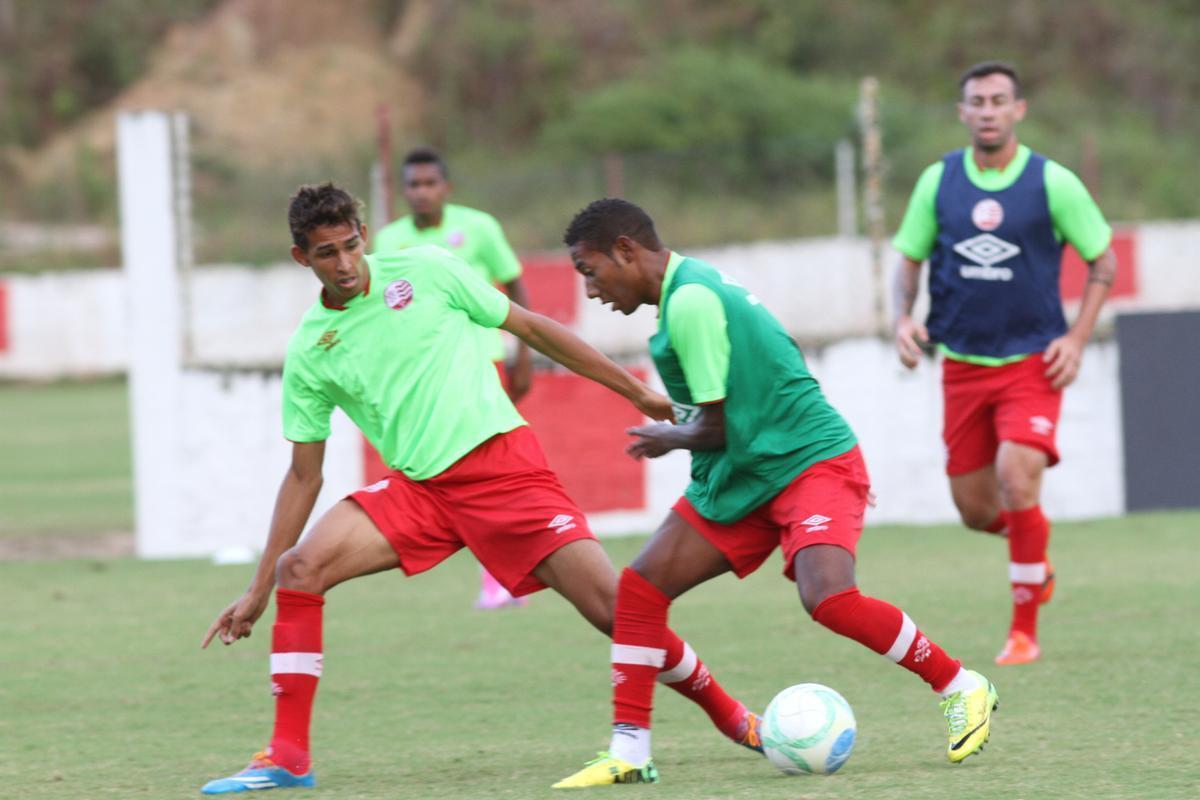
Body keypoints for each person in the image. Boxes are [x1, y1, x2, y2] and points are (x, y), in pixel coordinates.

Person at [198, 183, 762, 794]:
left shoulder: (429, 271)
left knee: (615, 610)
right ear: (300, 258)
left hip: (503, 472)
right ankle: (288, 756)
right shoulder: (311, 348)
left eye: (351, 246)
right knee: (299, 568)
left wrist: (633, 388)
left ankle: (733, 718)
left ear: (364, 237)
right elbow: (305, 474)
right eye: (326, 253)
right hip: (420, 491)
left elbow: (530, 326)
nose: (344, 264)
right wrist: (258, 589)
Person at [554, 199, 997, 788]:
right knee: (639, 589)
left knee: (829, 597)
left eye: (590, 270)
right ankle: (630, 750)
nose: (591, 290)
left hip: (810, 461)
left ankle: (961, 685)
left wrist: (668, 435)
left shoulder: (691, 301)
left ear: (626, 250)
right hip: (746, 471)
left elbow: (714, 426)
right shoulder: (690, 290)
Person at [892, 61, 1117, 666]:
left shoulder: (1053, 182)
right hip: (962, 364)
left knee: (1018, 475)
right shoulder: (939, 181)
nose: (987, 110)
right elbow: (909, 260)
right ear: (963, 113)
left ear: (1018, 110)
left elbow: (1103, 262)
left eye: (998, 100)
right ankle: (1031, 553)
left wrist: (1077, 336)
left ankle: (1023, 632)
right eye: (976, 101)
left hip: (1032, 363)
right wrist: (901, 318)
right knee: (975, 509)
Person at [375, 147, 533, 610]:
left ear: (446, 187)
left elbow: (514, 284)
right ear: (404, 191)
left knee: (494, 466)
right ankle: (496, 574)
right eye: (413, 185)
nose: (421, 192)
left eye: (429, 183)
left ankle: (501, 578)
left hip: (484, 359)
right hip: (426, 373)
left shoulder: (479, 227)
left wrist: (524, 355)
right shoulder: (388, 240)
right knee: (451, 469)